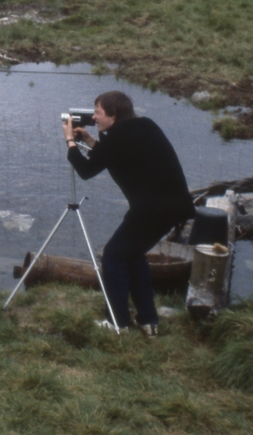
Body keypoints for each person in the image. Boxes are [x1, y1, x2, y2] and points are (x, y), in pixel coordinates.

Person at [62, 90, 194, 336]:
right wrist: (90, 140)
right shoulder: (143, 126)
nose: (94, 117)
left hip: (151, 209)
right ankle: (148, 321)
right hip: (175, 206)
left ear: (113, 114)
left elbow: (87, 170)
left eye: (98, 113)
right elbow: (115, 156)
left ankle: (117, 322)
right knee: (133, 254)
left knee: (113, 255)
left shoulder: (116, 137)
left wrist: (70, 141)